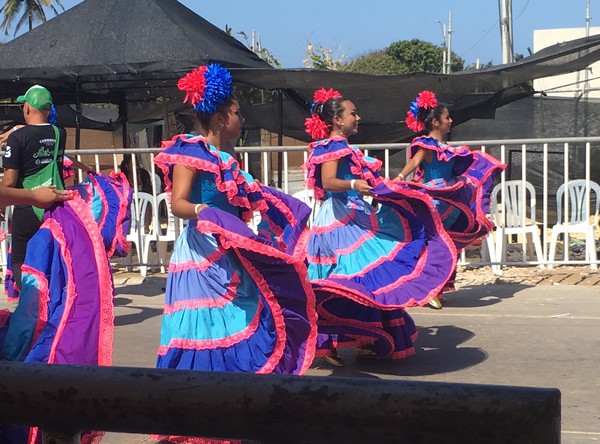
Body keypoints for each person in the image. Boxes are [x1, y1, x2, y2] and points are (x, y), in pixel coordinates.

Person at [154, 64, 316, 384]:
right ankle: (198, 389)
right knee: (206, 321)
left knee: (240, 311)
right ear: (220, 118)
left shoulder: (227, 156)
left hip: (231, 246)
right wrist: (203, 211)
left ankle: (233, 384)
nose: (242, 119)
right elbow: (178, 204)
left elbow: (245, 199)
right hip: (202, 251)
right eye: (238, 113)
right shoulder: (190, 150)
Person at [303, 88, 457, 366]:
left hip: (352, 212)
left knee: (362, 278)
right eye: (352, 113)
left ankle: (361, 339)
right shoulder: (333, 146)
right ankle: (333, 340)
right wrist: (354, 184)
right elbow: (328, 182)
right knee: (349, 279)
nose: (358, 117)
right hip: (339, 219)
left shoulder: (343, 147)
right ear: (337, 120)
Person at [396, 90, 505, 308]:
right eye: (447, 117)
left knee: (448, 242)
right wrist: (399, 178)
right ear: (436, 122)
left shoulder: (449, 149)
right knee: (435, 242)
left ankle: (438, 286)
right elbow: (415, 162)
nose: (451, 120)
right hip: (436, 199)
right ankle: (427, 287)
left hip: (452, 196)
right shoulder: (426, 145)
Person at [1, 85, 73, 291]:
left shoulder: (17, 138)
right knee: (52, 254)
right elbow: (41, 132)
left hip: (28, 204)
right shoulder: (60, 133)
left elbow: (9, 180)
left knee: (20, 258)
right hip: (55, 202)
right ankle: (51, 298)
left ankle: (30, 298)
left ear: (27, 108)